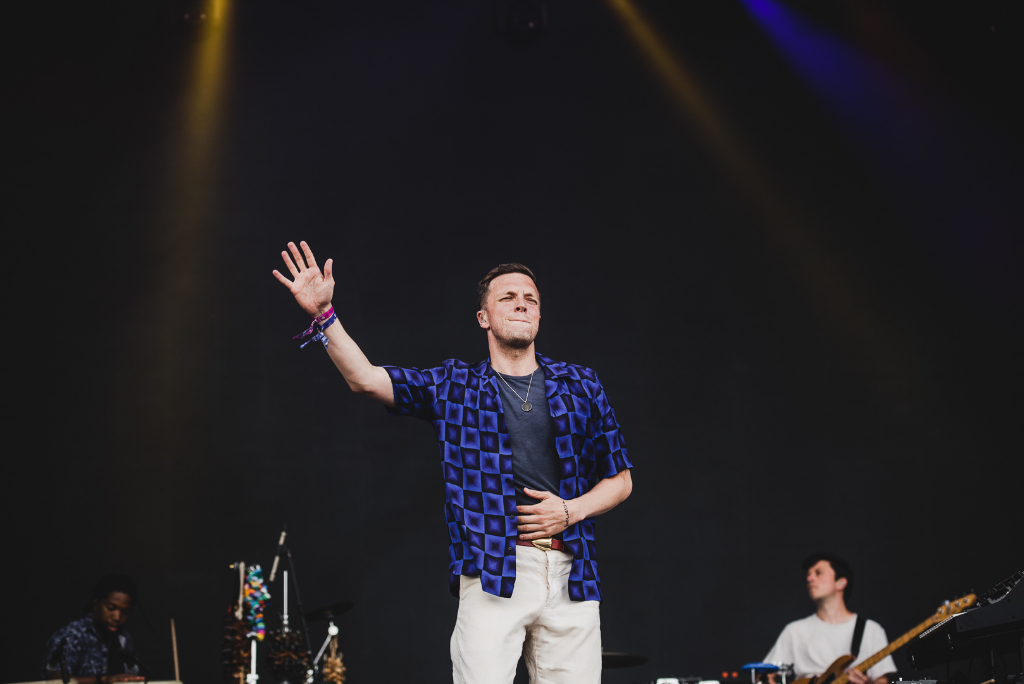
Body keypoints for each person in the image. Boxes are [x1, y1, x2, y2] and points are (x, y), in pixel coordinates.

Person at [273, 242, 634, 684]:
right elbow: (365, 379)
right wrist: (324, 315)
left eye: (531, 299)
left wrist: (570, 510)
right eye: (508, 297)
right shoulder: (455, 385)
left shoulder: (581, 384)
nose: (522, 303)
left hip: (572, 575)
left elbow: (620, 480)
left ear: (539, 316)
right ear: (484, 317)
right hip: (494, 568)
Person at [764, 553, 897, 684]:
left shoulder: (871, 630)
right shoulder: (794, 631)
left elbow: (882, 681)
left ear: (841, 583)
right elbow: (764, 676)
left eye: (819, 573)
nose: (809, 578)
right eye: (808, 574)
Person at [43, 574, 146, 683]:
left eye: (125, 612)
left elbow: (133, 675)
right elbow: (54, 679)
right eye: (111, 608)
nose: (117, 617)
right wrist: (104, 680)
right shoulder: (70, 635)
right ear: (96, 604)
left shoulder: (125, 638)